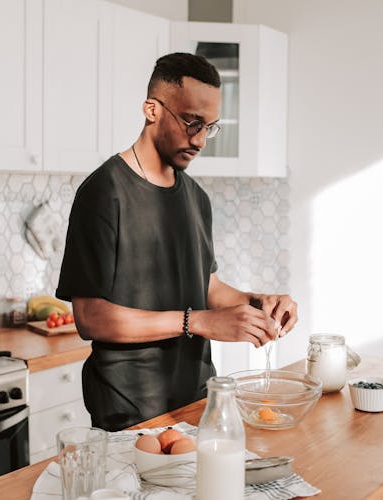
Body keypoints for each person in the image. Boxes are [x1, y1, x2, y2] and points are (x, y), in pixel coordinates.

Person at [56, 52, 298, 431]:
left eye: (209, 127)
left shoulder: (196, 197)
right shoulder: (103, 193)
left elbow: (204, 284)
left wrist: (257, 303)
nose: (200, 139)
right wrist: (198, 322)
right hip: (130, 409)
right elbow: (90, 318)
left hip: (199, 399)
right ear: (152, 109)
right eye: (191, 122)